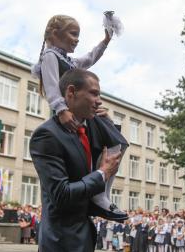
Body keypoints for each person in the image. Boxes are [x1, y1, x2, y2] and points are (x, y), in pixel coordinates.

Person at [31, 14, 127, 222]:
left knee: (117, 142)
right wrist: (61, 109)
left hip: (78, 115)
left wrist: (106, 41)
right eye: (73, 34)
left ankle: (101, 194)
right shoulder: (50, 56)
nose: (77, 39)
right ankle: (99, 194)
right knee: (112, 141)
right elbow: (50, 84)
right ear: (55, 34)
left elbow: (90, 58)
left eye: (78, 35)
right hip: (67, 114)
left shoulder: (69, 60)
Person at [30, 69, 125, 252]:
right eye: (93, 93)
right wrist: (102, 173)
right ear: (71, 92)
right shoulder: (47, 135)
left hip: (85, 237)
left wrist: (108, 127)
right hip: (61, 242)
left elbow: (112, 148)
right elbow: (62, 195)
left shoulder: (90, 129)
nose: (99, 100)